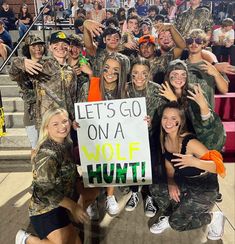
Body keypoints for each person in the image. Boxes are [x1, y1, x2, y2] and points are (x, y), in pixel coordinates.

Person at [15, 107, 99, 244]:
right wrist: (73, 206)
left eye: (65, 121)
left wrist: (80, 191)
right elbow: (45, 191)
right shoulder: (47, 155)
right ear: (47, 127)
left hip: (63, 200)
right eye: (55, 124)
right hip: (45, 208)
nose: (62, 126)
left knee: (94, 189)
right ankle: (27, 239)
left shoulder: (65, 144)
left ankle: (69, 219)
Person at [149, 101, 226, 241]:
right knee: (156, 187)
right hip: (184, 182)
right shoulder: (165, 137)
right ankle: (174, 213)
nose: (168, 122)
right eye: (165, 117)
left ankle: (213, 218)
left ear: (181, 121)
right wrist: (171, 181)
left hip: (204, 189)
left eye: (173, 118)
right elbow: (169, 163)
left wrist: (194, 161)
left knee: (176, 224)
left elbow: (218, 166)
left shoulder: (190, 142)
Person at [78, 52, 130, 218]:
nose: (110, 72)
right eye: (106, 68)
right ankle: (92, 199)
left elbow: (131, 117)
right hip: (93, 136)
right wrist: (76, 122)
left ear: (122, 72)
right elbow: (80, 111)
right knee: (93, 165)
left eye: (116, 70)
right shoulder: (89, 86)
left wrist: (142, 120)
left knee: (115, 162)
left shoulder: (126, 90)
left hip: (115, 137)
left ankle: (109, 196)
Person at [125, 57, 163, 216]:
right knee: (133, 166)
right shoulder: (124, 89)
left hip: (151, 137)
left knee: (151, 166)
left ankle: (149, 196)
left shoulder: (157, 90)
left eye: (144, 73)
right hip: (129, 137)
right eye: (135, 73)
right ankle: (134, 191)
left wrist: (153, 122)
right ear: (130, 73)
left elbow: (164, 116)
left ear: (149, 74)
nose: (139, 77)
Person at [32, 31, 77, 130]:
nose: (60, 47)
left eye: (64, 44)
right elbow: (15, 75)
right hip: (46, 123)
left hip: (65, 123)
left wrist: (73, 118)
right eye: (56, 44)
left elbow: (72, 97)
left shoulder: (71, 71)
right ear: (50, 47)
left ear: (69, 47)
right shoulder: (41, 66)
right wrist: (22, 63)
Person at [8, 35, 45, 154]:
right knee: (35, 149)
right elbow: (12, 72)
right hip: (31, 115)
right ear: (27, 49)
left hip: (48, 114)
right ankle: (35, 172)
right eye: (34, 46)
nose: (38, 49)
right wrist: (21, 62)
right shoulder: (21, 67)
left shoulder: (49, 65)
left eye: (40, 45)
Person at [186, 29, 229, 109]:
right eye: (190, 40)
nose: (194, 44)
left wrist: (215, 73)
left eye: (198, 41)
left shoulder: (212, 66)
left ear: (204, 44)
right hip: (185, 114)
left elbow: (224, 90)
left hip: (206, 114)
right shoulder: (181, 65)